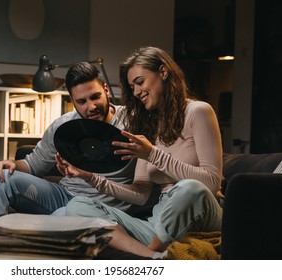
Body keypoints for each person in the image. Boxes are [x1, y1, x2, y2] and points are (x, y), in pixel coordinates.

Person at [57, 46, 223, 258]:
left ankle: (149, 254)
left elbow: (211, 182)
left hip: (201, 210)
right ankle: (151, 256)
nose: (136, 92)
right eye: (132, 87)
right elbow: (141, 195)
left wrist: (152, 154)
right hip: (159, 222)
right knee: (78, 205)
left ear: (163, 72)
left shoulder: (198, 111)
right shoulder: (149, 125)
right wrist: (90, 178)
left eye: (140, 82)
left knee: (188, 188)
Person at [0, 62, 153, 218]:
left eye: (95, 97)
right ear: (72, 101)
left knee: (64, 214)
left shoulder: (134, 121)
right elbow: (33, 165)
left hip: (103, 207)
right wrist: (11, 164)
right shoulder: (63, 124)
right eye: (81, 101)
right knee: (1, 177)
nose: (91, 107)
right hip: (63, 195)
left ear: (106, 90)